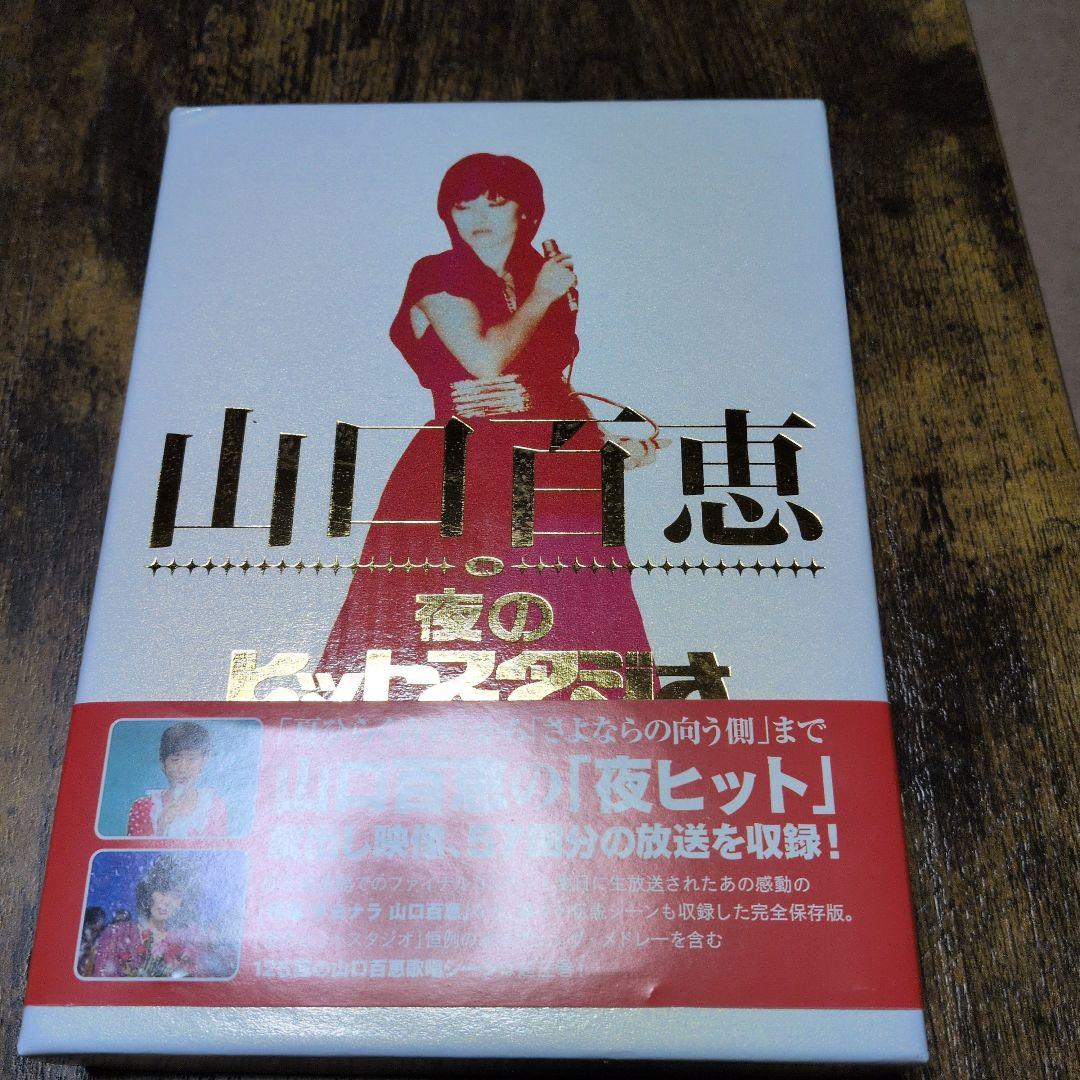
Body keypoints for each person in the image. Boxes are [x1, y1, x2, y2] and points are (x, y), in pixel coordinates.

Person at [322, 154, 663, 691]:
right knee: (448, 613)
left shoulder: (538, 275)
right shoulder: (437, 272)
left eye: (496, 203)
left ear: (526, 212)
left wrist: (600, 441)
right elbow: (484, 360)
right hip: (465, 464)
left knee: (578, 616)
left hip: (557, 466)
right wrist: (542, 297)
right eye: (464, 205)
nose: (478, 216)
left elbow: (551, 382)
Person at [89, 855, 210, 978]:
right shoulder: (117, 934)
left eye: (176, 896)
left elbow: (199, 985)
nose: (166, 901)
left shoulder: (188, 944)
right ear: (149, 892)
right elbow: (101, 983)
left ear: (183, 903)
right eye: (162, 891)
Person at [127, 722, 228, 837]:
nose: (183, 769)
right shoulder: (143, 807)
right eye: (175, 760)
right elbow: (133, 849)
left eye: (191, 759)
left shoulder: (214, 806)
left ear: (204, 762)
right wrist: (161, 827)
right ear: (163, 764)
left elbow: (219, 847)